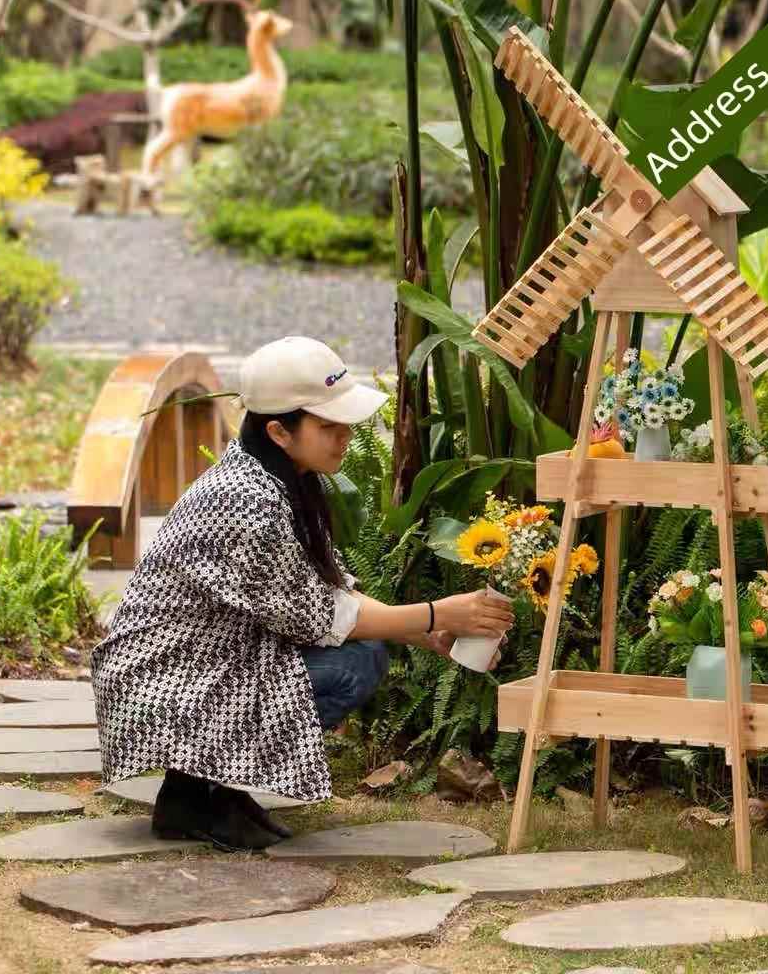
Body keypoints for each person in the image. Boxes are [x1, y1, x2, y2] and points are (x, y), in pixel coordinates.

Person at [90, 336, 514, 852]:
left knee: (363, 653)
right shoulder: (245, 501)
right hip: (163, 683)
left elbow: (331, 592)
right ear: (278, 430)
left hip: (202, 664)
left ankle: (200, 794)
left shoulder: (277, 477)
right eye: (329, 426)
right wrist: (435, 614)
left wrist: (430, 631)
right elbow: (323, 617)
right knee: (352, 665)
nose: (345, 436)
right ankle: (201, 793)